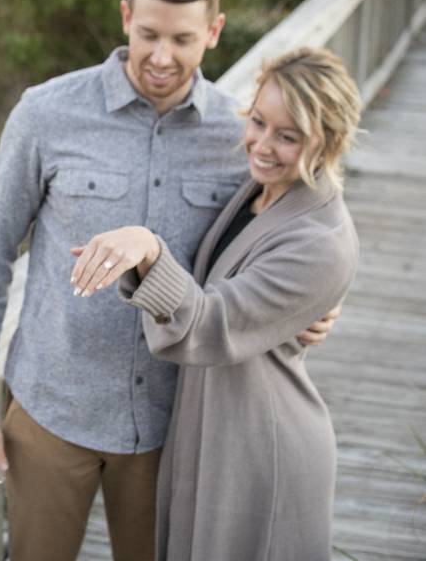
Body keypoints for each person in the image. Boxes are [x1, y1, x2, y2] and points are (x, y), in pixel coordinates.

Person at [0, 0, 336, 559]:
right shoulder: (45, 113)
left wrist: (315, 308)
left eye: (182, 39)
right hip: (52, 411)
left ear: (213, 31)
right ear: (126, 17)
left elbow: (298, 225)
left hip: (174, 427)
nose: (161, 55)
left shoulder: (243, 138)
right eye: (149, 33)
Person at [71, 47, 360, 560]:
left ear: (329, 143)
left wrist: (149, 247)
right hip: (211, 427)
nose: (261, 145)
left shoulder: (323, 240)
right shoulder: (260, 188)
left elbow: (209, 324)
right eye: (258, 121)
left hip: (260, 447)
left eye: (287, 136)